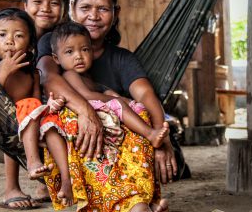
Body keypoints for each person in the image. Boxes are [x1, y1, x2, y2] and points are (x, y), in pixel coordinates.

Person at [37, 0, 177, 212]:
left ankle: (138, 207)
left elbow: (145, 93)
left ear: (115, 12)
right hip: (73, 133)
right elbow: (48, 78)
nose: (94, 15)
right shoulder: (56, 41)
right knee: (81, 124)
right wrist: (86, 110)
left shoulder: (122, 58)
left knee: (140, 115)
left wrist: (161, 136)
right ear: (73, 9)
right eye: (86, 7)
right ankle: (119, 207)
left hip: (112, 132)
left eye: (103, 8)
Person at [0, 0, 71, 209]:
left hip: (33, 109)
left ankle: (57, 182)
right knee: (23, 117)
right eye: (38, 2)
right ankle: (13, 185)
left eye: (54, 3)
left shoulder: (59, 41)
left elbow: (37, 93)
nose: (45, 8)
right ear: (25, 4)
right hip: (3, 113)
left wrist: (51, 106)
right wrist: (4, 70)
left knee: (48, 119)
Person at [50, 21, 170, 149]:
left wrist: (108, 93)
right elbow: (87, 95)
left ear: (92, 51)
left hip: (96, 110)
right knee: (119, 104)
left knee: (132, 107)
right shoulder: (70, 74)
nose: (79, 56)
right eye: (69, 52)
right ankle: (150, 134)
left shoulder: (86, 76)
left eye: (85, 49)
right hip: (85, 111)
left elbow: (98, 89)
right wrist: (117, 99)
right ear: (56, 59)